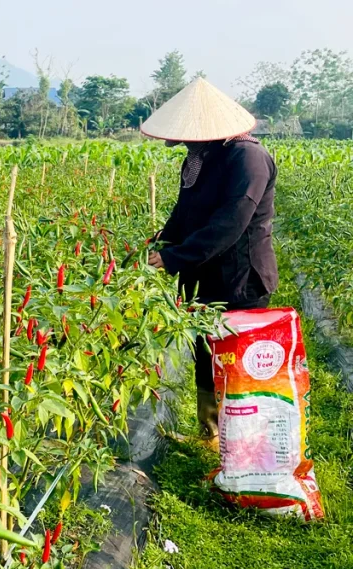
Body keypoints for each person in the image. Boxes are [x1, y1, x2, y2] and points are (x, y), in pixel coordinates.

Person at [141, 78, 279, 448]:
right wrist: (162, 241)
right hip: (203, 277)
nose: (182, 142)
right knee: (204, 353)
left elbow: (230, 222)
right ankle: (211, 433)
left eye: (188, 136)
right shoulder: (200, 159)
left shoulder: (247, 158)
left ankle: (245, 445)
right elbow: (184, 211)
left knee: (236, 361)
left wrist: (174, 257)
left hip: (240, 280)